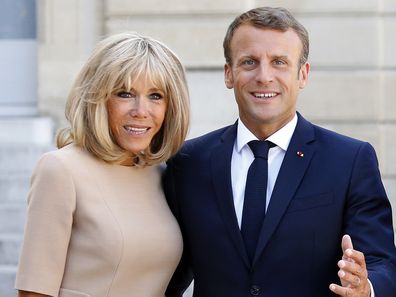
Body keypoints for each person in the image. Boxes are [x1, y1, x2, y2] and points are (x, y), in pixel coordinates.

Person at [164, 7, 396, 297]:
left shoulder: (350, 161)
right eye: (249, 62)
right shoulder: (188, 162)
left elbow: (381, 263)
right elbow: (168, 271)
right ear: (228, 74)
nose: (264, 76)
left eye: (279, 62)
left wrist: (366, 287)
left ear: (303, 74)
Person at [15, 32, 190, 297]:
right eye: (124, 93)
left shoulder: (163, 175)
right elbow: (34, 292)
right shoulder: (61, 170)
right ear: (98, 99)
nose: (141, 110)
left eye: (156, 96)